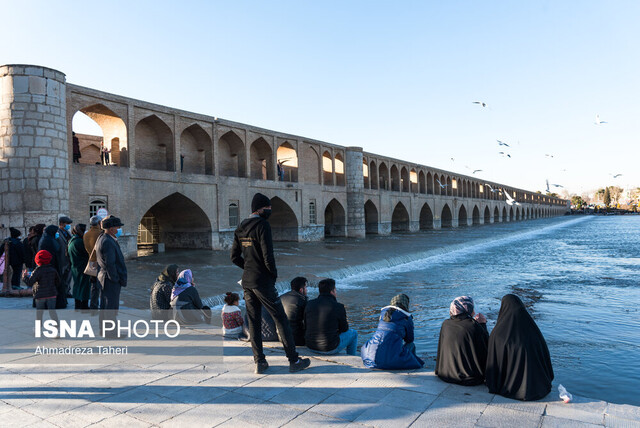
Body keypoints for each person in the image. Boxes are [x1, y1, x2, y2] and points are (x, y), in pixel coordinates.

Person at [231, 192, 310, 374]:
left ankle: (260, 362)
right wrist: (272, 276)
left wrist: (248, 268)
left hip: (248, 281)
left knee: (254, 321)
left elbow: (234, 256)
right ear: (259, 209)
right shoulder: (263, 225)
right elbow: (268, 256)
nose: (270, 211)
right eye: (268, 208)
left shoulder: (241, 226)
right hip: (263, 281)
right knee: (280, 319)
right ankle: (293, 360)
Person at [485, 294, 554, 401]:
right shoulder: (534, 331)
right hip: (539, 389)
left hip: (508, 388)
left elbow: (493, 363)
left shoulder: (498, 334)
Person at [361, 293, 424, 369]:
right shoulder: (406, 317)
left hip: (369, 358)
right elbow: (410, 339)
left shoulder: (383, 314)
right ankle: (412, 361)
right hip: (390, 359)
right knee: (411, 345)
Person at [435, 296, 489, 385]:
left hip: (446, 374)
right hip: (468, 377)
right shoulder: (472, 326)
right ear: (468, 309)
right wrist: (482, 325)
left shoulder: (446, 324)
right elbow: (486, 347)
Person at [305, 278, 358, 355]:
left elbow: (306, 325)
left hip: (310, 346)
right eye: (335, 290)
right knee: (353, 333)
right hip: (329, 348)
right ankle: (352, 357)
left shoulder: (309, 304)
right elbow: (344, 329)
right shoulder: (338, 306)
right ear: (332, 291)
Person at [95, 215, 127, 336]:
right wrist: (115, 278)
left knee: (105, 305)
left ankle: (105, 330)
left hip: (104, 277)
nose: (119, 229)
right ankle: (111, 332)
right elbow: (110, 263)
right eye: (117, 227)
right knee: (110, 307)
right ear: (112, 228)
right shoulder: (107, 241)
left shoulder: (103, 238)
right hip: (109, 279)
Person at [26, 250, 61, 327]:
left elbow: (30, 282)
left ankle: (38, 329)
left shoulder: (37, 271)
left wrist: (24, 277)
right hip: (52, 294)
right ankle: (56, 330)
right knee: (52, 312)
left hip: (40, 295)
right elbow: (58, 282)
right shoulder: (53, 270)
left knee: (39, 313)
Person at [67, 224, 91, 310]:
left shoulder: (72, 240)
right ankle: (84, 305)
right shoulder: (80, 242)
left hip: (75, 266)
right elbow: (87, 253)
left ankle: (77, 304)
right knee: (85, 286)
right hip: (82, 266)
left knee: (77, 285)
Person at [281, 276, 308, 346]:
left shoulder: (281, 297)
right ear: (301, 290)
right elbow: (308, 320)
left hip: (281, 337)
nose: (307, 290)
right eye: (306, 288)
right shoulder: (302, 300)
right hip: (297, 339)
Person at [83, 215, 102, 311]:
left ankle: (93, 306)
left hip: (91, 262)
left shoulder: (86, 234)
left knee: (94, 286)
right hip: (100, 263)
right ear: (99, 223)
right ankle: (103, 306)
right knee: (103, 286)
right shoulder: (101, 234)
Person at [56, 216, 73, 295]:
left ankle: (67, 291)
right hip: (61, 258)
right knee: (61, 277)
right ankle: (61, 293)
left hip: (69, 259)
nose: (68, 226)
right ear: (61, 224)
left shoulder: (68, 233)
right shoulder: (57, 233)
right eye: (67, 224)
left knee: (68, 277)